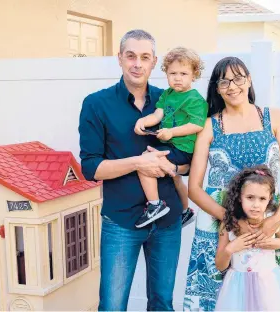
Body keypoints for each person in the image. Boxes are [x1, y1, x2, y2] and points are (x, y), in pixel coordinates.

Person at [183, 56, 280, 311]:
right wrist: (232, 221)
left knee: (271, 295)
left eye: (238, 78)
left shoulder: (275, 118)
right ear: (216, 88)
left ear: (249, 80)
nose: (232, 86)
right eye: (224, 81)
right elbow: (194, 188)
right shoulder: (208, 126)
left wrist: (276, 219)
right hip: (216, 223)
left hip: (265, 220)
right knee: (214, 299)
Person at [78, 29, 188, 311]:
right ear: (119, 58)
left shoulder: (172, 102)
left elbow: (187, 162)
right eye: (130, 56)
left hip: (167, 223)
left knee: (163, 303)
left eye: (144, 57)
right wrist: (138, 162)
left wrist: (171, 165)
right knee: (112, 306)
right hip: (121, 222)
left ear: (154, 62)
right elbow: (91, 168)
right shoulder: (96, 104)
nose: (137, 63)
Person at [134, 46, 207, 228]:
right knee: (175, 178)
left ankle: (155, 205)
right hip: (171, 145)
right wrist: (143, 121)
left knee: (145, 161)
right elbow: (158, 115)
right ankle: (185, 211)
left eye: (183, 73)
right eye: (172, 73)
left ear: (194, 75)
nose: (177, 78)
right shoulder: (167, 94)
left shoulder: (194, 99)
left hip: (183, 148)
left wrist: (171, 132)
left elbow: (196, 125)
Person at [214, 165, 280, 311]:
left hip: (268, 285)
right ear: (240, 197)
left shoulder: (272, 221)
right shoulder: (228, 224)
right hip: (237, 287)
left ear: (269, 199)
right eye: (250, 198)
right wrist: (230, 249)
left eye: (262, 199)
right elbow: (220, 265)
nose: (256, 205)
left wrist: (277, 243)